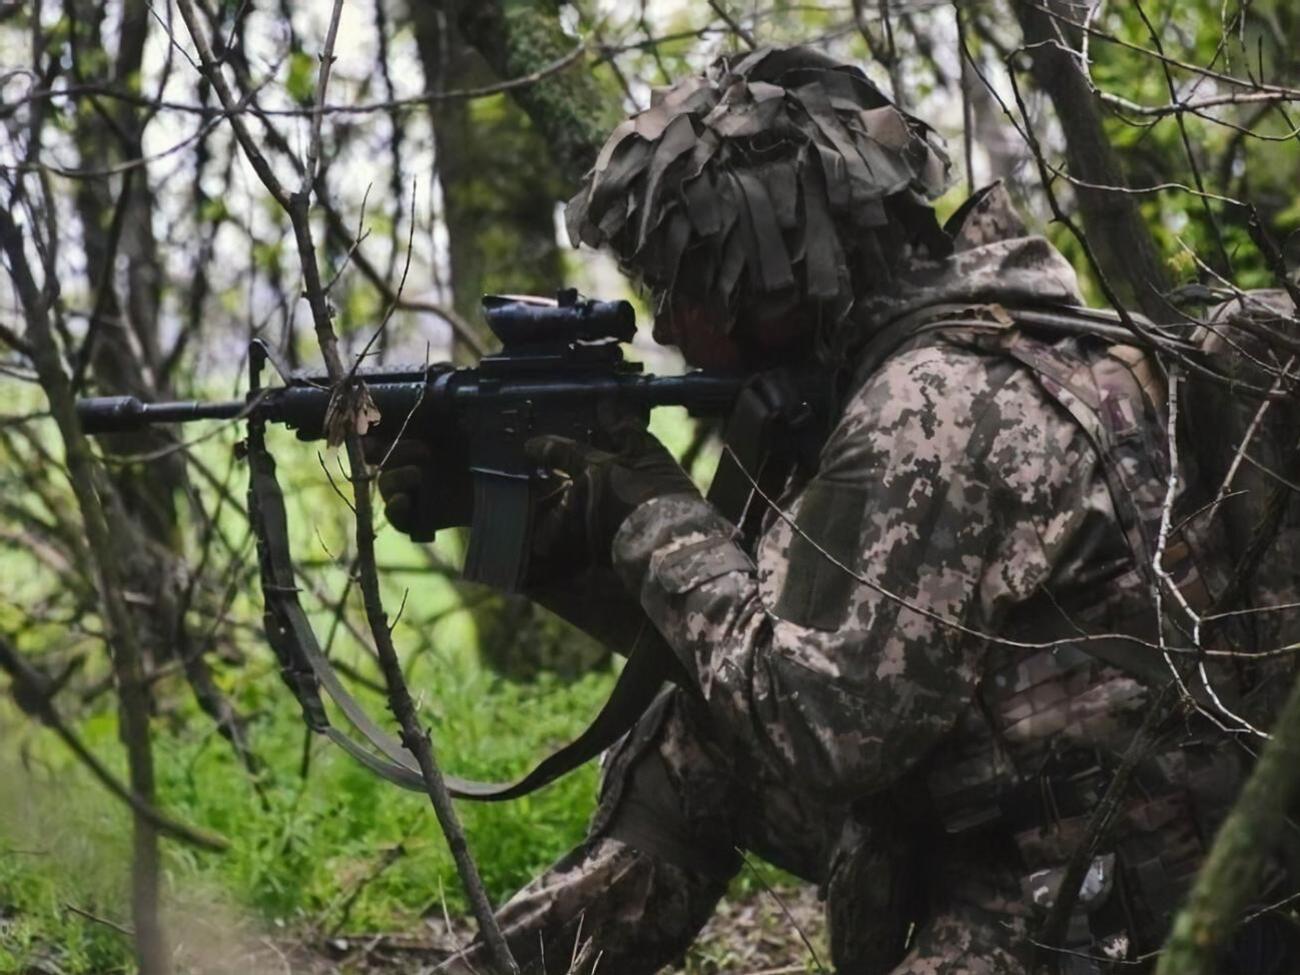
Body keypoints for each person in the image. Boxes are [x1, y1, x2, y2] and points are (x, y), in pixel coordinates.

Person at [375, 46, 1298, 975]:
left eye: (677, 290)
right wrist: (552, 534)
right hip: (1023, 826)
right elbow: (745, 659)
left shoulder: (928, 408)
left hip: (1098, 901)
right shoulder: (928, 359)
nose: (663, 328)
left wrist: (648, 508)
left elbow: (819, 726)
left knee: (732, 725)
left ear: (768, 278)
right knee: (699, 737)